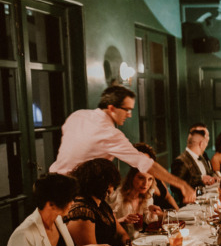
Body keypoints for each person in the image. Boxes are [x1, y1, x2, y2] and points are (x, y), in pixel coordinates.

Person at [49, 85, 195, 203]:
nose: (130, 114)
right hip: (73, 193)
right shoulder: (109, 133)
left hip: (51, 185)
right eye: (127, 110)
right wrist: (182, 184)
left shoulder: (78, 115)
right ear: (112, 108)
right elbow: (145, 164)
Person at [66, 158, 129, 246]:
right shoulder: (82, 211)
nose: (112, 188)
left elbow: (122, 234)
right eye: (110, 183)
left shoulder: (102, 205)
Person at [107, 166, 162, 239]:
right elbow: (105, 225)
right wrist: (122, 220)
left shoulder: (147, 196)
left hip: (137, 240)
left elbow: (149, 221)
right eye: (141, 178)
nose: (146, 184)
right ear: (132, 177)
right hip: (117, 242)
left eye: (150, 179)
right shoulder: (117, 196)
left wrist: (153, 212)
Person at [171, 123, 219, 206]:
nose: (206, 145)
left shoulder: (202, 156)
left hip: (207, 200)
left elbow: (209, 173)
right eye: (206, 142)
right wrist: (200, 179)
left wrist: (215, 177)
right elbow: (174, 186)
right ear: (201, 144)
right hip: (190, 205)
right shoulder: (180, 161)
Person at [134, 142, 178, 211]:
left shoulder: (155, 177)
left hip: (171, 214)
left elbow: (168, 197)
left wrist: (178, 212)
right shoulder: (140, 183)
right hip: (159, 218)